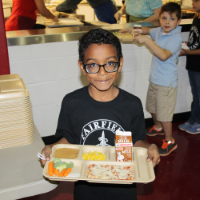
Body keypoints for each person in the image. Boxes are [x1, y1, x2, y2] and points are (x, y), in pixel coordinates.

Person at [40, 28, 160, 200]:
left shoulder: (131, 104)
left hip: (123, 188)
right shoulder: (72, 102)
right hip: (86, 190)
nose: (102, 72)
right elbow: (68, 139)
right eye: (93, 65)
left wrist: (149, 147)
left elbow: (136, 142)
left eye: (110, 63)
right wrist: (52, 148)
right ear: (82, 66)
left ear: (121, 63)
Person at [119, 2, 182, 156]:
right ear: (159, 18)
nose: (167, 22)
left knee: (164, 114)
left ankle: (169, 141)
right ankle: (158, 127)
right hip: (155, 79)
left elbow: (163, 55)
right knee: (152, 107)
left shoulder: (176, 38)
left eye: (172, 19)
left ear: (178, 21)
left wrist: (147, 40)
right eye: (164, 18)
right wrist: (132, 30)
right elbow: (147, 30)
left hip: (166, 84)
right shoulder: (159, 31)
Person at [178, 0, 200, 134]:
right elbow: (196, 40)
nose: (193, 3)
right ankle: (193, 119)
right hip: (193, 64)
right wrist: (188, 43)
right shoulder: (196, 18)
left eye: (196, 0)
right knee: (196, 95)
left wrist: (188, 52)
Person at [50, 0, 117, 24]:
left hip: (106, 7)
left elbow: (71, 2)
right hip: (103, 7)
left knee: (110, 32)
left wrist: (56, 8)